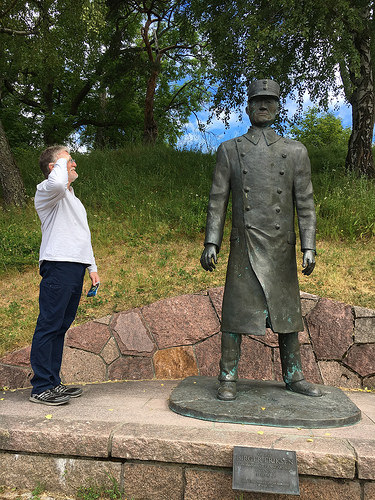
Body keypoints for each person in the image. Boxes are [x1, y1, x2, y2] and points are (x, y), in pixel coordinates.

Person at [200, 79, 322, 401]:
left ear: (279, 108)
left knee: (286, 312)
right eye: (258, 101)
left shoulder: (295, 152)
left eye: (270, 101)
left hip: (280, 248)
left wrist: (308, 245)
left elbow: (305, 203)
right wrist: (211, 242)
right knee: (235, 311)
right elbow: (217, 199)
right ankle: (227, 375)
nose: (264, 106)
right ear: (248, 107)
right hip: (245, 245)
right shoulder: (231, 149)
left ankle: (294, 374)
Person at [29, 145, 100, 405]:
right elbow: (57, 183)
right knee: (49, 324)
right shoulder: (47, 191)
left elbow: (83, 234)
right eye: (69, 160)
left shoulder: (73, 199)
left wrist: (91, 267)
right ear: (53, 168)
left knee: (60, 326)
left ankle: (53, 383)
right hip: (57, 264)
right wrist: (59, 162)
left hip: (74, 267)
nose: (74, 164)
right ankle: (40, 387)